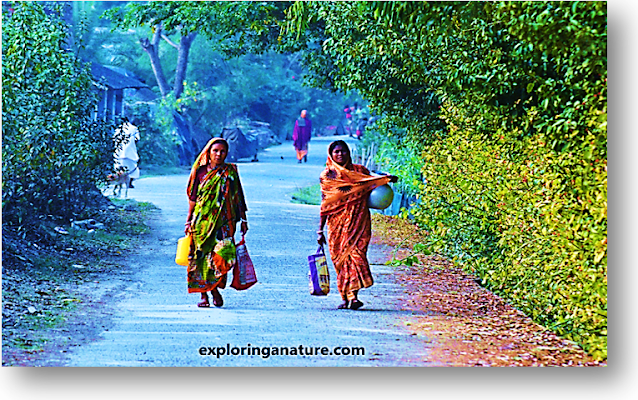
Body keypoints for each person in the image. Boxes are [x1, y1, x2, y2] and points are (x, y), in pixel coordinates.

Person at [317, 140, 398, 310]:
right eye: (336, 152)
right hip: (336, 224)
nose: (340, 155)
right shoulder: (328, 176)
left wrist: (386, 179)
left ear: (349, 152)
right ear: (331, 155)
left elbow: (371, 182)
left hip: (358, 220)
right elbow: (325, 204)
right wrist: (320, 230)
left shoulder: (360, 171)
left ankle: (353, 296)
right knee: (340, 259)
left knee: (356, 254)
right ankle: (346, 297)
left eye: (343, 151)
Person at [185, 137, 249, 308]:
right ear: (208, 152)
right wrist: (188, 219)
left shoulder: (230, 171)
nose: (219, 154)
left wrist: (243, 219)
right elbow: (193, 197)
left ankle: (214, 288)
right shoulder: (199, 172)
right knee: (200, 257)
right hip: (201, 223)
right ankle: (206, 294)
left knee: (223, 257)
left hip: (225, 221)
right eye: (215, 151)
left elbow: (238, 197)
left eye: (222, 151)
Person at [114, 120, 140, 188]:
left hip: (119, 152)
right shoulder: (134, 129)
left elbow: (114, 139)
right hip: (130, 152)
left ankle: (119, 182)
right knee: (132, 168)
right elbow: (137, 139)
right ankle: (129, 182)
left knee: (119, 167)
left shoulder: (118, 129)